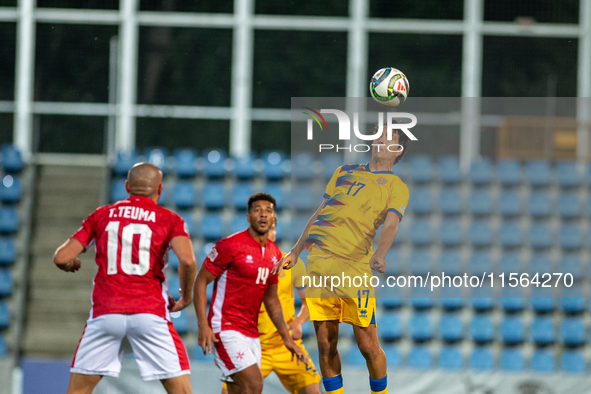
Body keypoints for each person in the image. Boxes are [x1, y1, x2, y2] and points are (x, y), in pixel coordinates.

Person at [272, 125, 410, 394]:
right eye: (378, 135)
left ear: (397, 149)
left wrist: (380, 253)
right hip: (320, 263)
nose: (380, 139)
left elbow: (391, 223)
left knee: (368, 345)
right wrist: (297, 250)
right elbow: (320, 213)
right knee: (325, 343)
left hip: (354, 269)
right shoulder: (344, 172)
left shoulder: (396, 186)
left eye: (388, 137)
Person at [53, 163, 197, 394]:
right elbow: (188, 261)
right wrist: (186, 297)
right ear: (159, 189)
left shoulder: (101, 215)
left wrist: (72, 263)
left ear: (127, 187)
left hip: (106, 314)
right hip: (149, 314)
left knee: (78, 391)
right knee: (180, 391)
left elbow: (61, 258)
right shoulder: (170, 219)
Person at [194, 193, 306, 394]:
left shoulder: (274, 254)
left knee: (238, 391)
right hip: (226, 328)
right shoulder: (229, 245)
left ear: (274, 218)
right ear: (248, 217)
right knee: (254, 384)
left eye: (268, 211)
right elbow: (201, 281)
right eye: (257, 210)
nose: (263, 215)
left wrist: (287, 340)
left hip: (251, 334)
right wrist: (203, 324)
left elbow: (271, 301)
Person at [221, 214, 321, 394]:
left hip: (285, 345)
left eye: (272, 228)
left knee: (312, 391)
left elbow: (309, 302)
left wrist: (298, 321)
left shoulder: (293, 264)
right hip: (252, 347)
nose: (268, 233)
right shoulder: (240, 265)